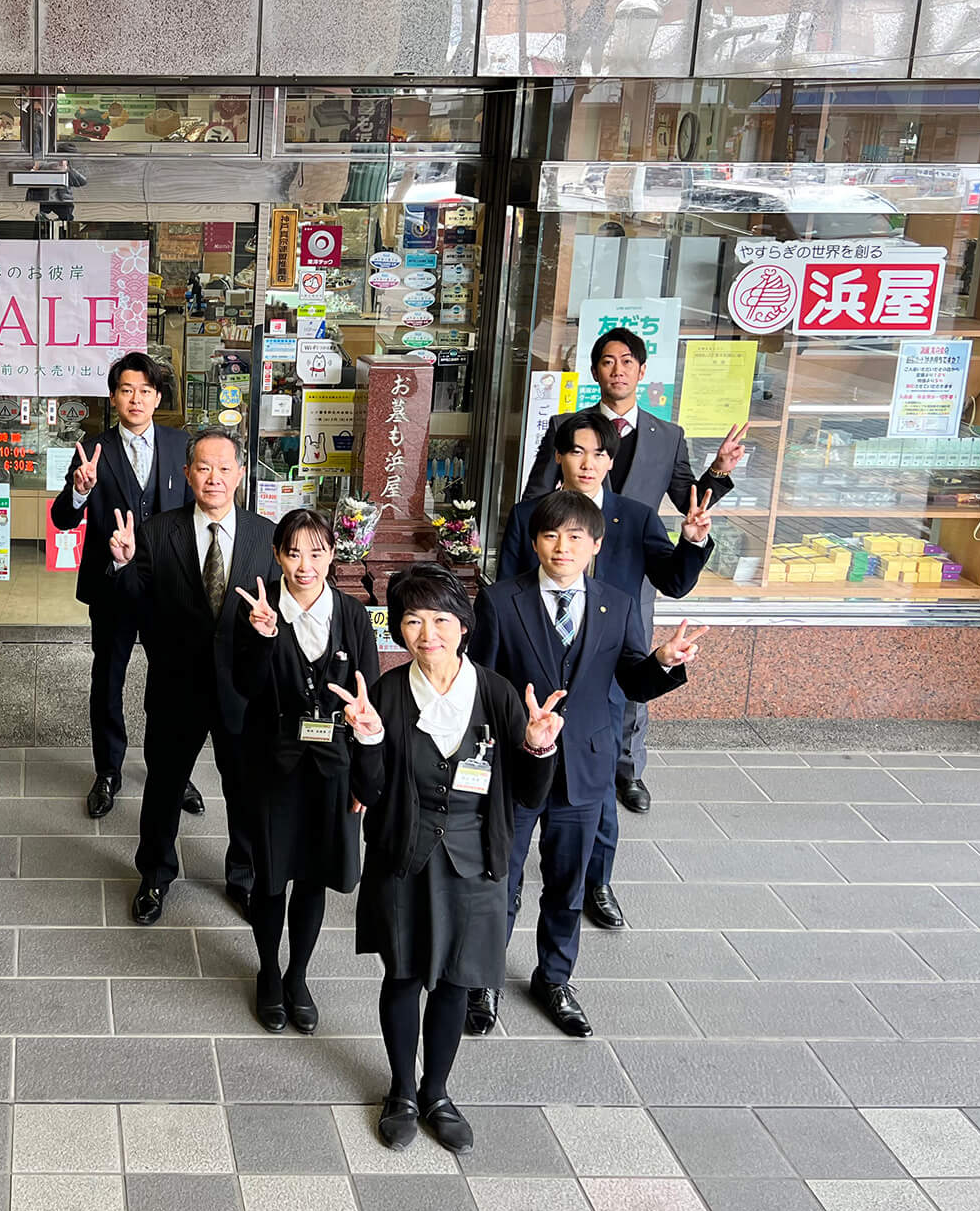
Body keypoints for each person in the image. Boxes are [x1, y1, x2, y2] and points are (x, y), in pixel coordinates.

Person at [466, 490, 703, 1039]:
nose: (562, 546)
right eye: (551, 535)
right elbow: (481, 682)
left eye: (576, 536)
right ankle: (484, 980)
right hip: (519, 764)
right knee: (499, 878)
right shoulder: (502, 601)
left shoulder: (615, 604)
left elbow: (631, 680)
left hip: (586, 768)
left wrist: (663, 663)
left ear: (595, 545)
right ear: (534, 542)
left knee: (568, 883)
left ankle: (554, 978)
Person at [344, 564, 562, 1153]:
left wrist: (540, 747)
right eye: (412, 620)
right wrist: (365, 740)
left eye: (441, 619)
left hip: (476, 860)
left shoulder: (495, 692)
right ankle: (401, 1091)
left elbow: (527, 795)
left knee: (457, 982)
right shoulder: (385, 695)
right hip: (404, 858)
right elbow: (371, 791)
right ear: (397, 629)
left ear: (463, 625)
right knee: (405, 974)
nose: (427, 633)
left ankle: (437, 1091)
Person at [500, 409, 714, 931]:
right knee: (517, 816)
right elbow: (504, 595)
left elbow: (673, 581)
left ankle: (596, 884)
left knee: (596, 803)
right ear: (559, 456)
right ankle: (507, 900)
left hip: (606, 677)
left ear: (611, 460)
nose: (587, 462)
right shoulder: (531, 515)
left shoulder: (634, 516)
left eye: (599, 453)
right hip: (533, 690)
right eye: (577, 451)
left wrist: (690, 541)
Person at [521, 328, 744, 816]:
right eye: (606, 361)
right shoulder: (569, 427)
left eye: (626, 361)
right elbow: (534, 501)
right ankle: (554, 754)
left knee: (631, 674)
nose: (616, 370)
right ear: (595, 371)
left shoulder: (668, 436)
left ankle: (626, 770)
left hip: (629, 574)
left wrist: (719, 474)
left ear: (642, 372)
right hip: (562, 569)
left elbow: (689, 498)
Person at [113, 428, 275, 926]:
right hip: (177, 684)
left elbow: (282, 612)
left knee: (245, 790)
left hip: (243, 690)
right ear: (186, 473)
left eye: (225, 468)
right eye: (203, 467)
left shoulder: (266, 535)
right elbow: (130, 604)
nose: (214, 478)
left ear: (241, 475)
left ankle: (244, 876)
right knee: (164, 786)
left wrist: (270, 630)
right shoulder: (159, 530)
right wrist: (120, 566)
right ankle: (157, 873)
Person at [231, 508, 378, 1035]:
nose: (304, 565)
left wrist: (366, 777)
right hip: (272, 764)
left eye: (316, 552)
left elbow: (369, 705)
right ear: (276, 555)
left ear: (333, 555)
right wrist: (264, 637)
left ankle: (298, 975)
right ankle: (268, 973)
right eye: (293, 552)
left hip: (333, 769)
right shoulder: (255, 606)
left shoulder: (354, 616)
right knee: (271, 878)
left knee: (314, 876)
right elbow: (244, 685)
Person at [48, 352, 193, 819]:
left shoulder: (180, 446)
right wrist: (80, 490)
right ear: (113, 397)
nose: (136, 399)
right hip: (111, 587)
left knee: (171, 683)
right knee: (108, 679)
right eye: (127, 390)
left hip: (167, 588)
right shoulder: (92, 449)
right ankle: (108, 769)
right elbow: (63, 518)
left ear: (157, 397)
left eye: (145, 391)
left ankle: (171, 769)